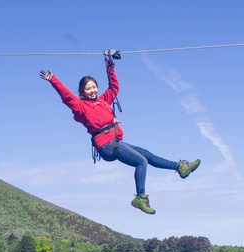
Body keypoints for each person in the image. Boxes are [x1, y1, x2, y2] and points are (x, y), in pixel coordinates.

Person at [39, 49, 200, 215]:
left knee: (148, 155)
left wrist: (109, 64)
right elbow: (67, 97)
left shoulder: (103, 101)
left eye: (94, 87)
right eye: (88, 89)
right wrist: (53, 80)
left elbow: (114, 87)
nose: (93, 90)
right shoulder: (81, 106)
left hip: (116, 141)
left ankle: (180, 168)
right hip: (106, 145)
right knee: (141, 161)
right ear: (82, 92)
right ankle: (140, 198)